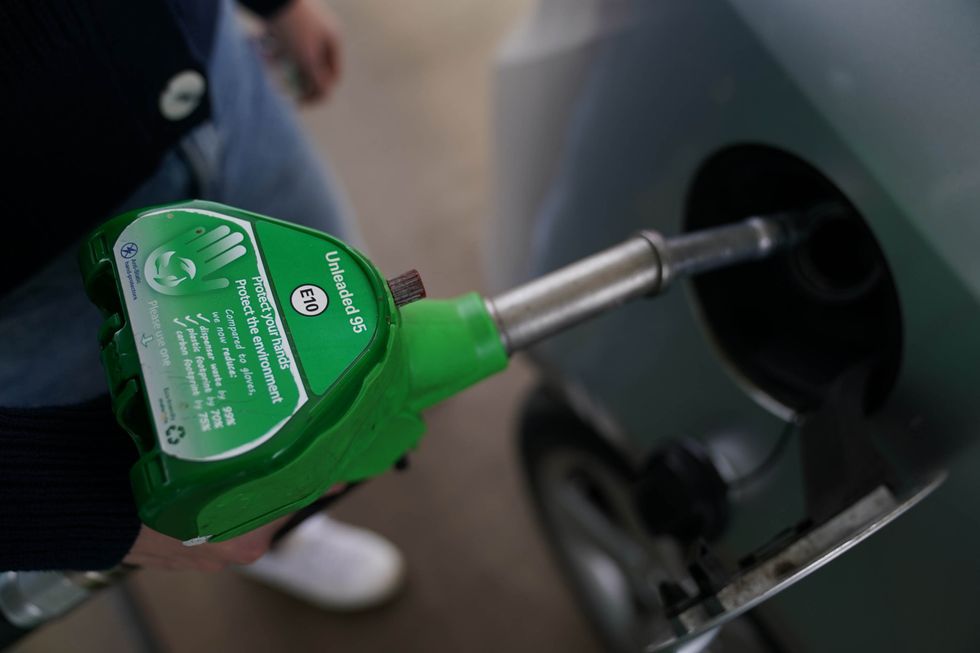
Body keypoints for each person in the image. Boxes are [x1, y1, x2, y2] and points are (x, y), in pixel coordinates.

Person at [0, 0, 404, 610]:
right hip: (32, 278)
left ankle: (369, 413)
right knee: (216, 450)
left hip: (218, 80)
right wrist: (59, 496)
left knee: (341, 324)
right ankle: (287, 532)